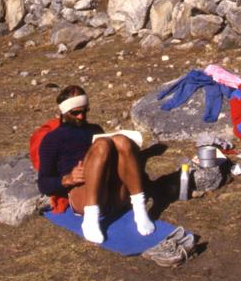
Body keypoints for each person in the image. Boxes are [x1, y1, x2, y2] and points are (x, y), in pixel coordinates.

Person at [36, 85, 155, 244]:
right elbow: (43, 183)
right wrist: (68, 179)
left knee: (121, 140)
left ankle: (139, 209)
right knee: (102, 144)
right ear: (63, 113)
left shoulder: (94, 129)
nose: (80, 116)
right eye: (75, 112)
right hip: (83, 194)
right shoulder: (52, 139)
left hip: (112, 191)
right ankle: (91, 218)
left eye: (85, 111)